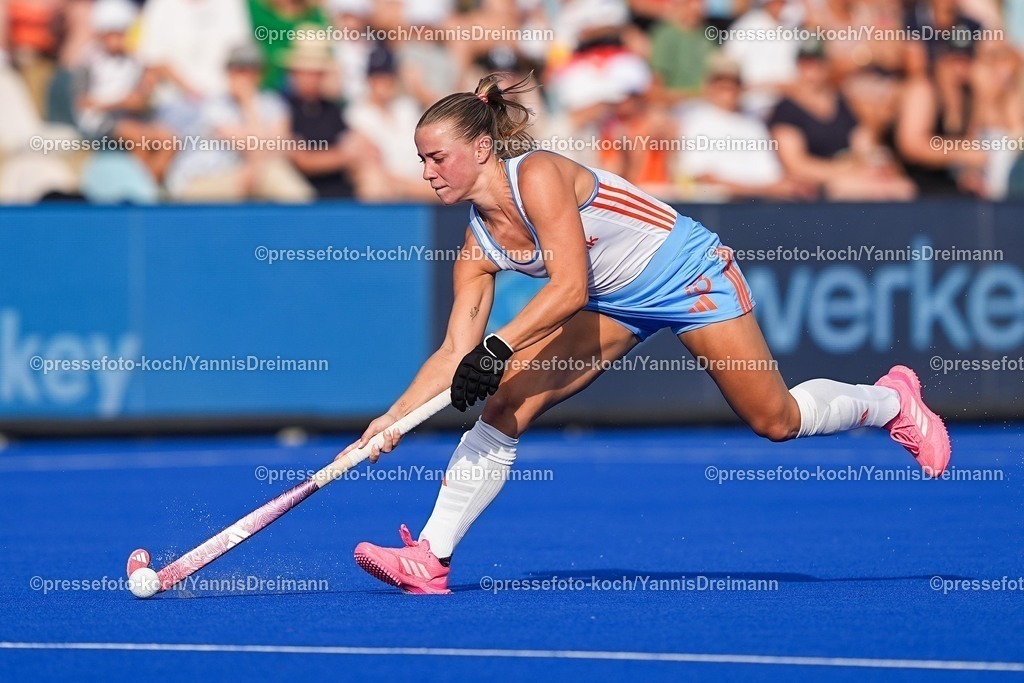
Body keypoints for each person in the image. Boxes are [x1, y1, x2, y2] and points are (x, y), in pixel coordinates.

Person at [345, 73, 951, 595]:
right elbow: (454, 351)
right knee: (506, 403)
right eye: (421, 160)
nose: (426, 172)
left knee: (776, 421)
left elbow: (569, 289)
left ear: (481, 149)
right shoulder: (477, 245)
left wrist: (498, 347)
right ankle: (432, 556)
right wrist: (391, 420)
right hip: (617, 302)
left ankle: (893, 401)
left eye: (436, 158)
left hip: (687, 275)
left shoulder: (539, 176)